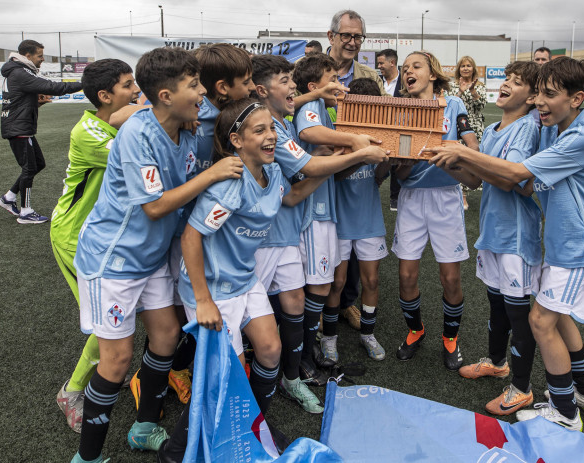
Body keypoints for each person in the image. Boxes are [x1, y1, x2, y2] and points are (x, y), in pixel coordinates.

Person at [69, 47, 244, 463]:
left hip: (153, 258)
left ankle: (143, 427)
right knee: (116, 360)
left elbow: (223, 114)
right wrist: (212, 174)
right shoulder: (138, 135)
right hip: (114, 261)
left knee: (166, 337)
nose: (202, 93)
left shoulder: (191, 121)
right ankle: (87, 457)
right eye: (193, 85)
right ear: (164, 95)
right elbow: (155, 206)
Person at [427, 57, 584, 431]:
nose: (541, 103)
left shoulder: (582, 135)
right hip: (563, 243)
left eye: (549, 95)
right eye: (540, 94)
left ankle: (563, 413)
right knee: (556, 316)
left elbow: (516, 175)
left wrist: (463, 151)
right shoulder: (554, 127)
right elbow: (525, 183)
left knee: (540, 320)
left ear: (577, 98)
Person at [160, 99, 331, 460]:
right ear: (236, 140)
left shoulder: (272, 175)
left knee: (270, 350)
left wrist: (335, 163)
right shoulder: (229, 185)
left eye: (272, 128)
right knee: (229, 376)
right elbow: (192, 238)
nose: (271, 136)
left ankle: (252, 428)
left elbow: (294, 195)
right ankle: (175, 453)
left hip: (244, 278)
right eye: (260, 130)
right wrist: (203, 301)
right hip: (210, 289)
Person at [250, 54, 387, 397]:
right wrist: (355, 147)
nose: (292, 86)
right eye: (284, 81)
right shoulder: (282, 123)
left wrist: (331, 157)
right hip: (295, 221)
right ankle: (288, 364)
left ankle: (297, 365)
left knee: (302, 294)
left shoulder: (281, 119)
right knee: (301, 293)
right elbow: (308, 158)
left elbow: (303, 180)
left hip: (299, 214)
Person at [52, 59, 142, 433]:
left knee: (116, 319)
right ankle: (72, 392)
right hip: (75, 238)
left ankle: (107, 370)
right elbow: (135, 157)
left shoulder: (103, 121)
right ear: (105, 96)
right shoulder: (86, 133)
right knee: (109, 324)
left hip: (101, 237)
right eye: (127, 85)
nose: (135, 90)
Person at [454, 61, 542, 416]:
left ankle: (521, 388)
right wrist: (446, 161)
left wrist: (463, 153)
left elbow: (517, 183)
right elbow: (476, 180)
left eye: (516, 82)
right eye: (506, 78)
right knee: (496, 303)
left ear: (533, 97)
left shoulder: (528, 128)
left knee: (519, 314)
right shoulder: (491, 129)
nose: (505, 84)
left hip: (516, 235)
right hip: (492, 231)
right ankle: (496, 362)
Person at [292, 53, 383, 367]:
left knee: (332, 283)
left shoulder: (325, 110)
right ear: (314, 85)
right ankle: (313, 348)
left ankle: (314, 346)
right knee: (323, 284)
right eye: (332, 79)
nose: (339, 84)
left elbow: (331, 157)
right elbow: (309, 134)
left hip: (332, 210)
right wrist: (355, 142)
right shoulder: (313, 106)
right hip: (315, 210)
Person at [392, 51, 480, 371]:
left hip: (446, 197)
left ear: (432, 74)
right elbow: (401, 174)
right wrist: (402, 162)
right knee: (405, 275)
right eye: (404, 69)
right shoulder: (400, 111)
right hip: (412, 199)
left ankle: (450, 338)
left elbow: (473, 149)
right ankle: (415, 331)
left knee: (451, 278)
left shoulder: (453, 105)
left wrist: (452, 152)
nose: (408, 72)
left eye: (415, 66)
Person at [324, 76, 390, 361]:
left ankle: (368, 334)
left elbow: (378, 178)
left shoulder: (381, 133)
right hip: (338, 220)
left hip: (369, 218)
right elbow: (333, 175)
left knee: (372, 281)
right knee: (336, 283)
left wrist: (387, 164)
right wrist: (361, 157)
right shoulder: (338, 134)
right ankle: (328, 338)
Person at [0, 39, 83, 224]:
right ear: (27, 56)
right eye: (40, 56)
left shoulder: (19, 71)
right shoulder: (20, 72)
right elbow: (54, 87)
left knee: (38, 164)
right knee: (29, 168)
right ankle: (26, 212)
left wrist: (37, 103)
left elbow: (18, 102)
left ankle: (8, 198)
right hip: (18, 128)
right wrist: (84, 84)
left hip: (20, 126)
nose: (42, 59)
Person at [327, 10, 386, 94]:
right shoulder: (306, 68)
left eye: (358, 37)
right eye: (346, 36)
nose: (352, 43)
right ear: (331, 37)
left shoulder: (371, 76)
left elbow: (386, 105)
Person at [376, 48, 402, 212]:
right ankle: (372, 188)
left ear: (392, 62)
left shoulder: (406, 82)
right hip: (380, 128)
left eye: (381, 63)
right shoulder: (377, 81)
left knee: (398, 162)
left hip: (399, 128)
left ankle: (396, 197)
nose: (379, 66)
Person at [454, 55, 487, 143]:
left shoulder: (480, 86)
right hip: (456, 125)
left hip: (475, 126)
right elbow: (451, 106)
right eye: (463, 66)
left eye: (468, 66)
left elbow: (481, 106)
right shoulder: (452, 86)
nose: (465, 68)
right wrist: (460, 92)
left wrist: (472, 91)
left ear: (473, 69)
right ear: (459, 69)